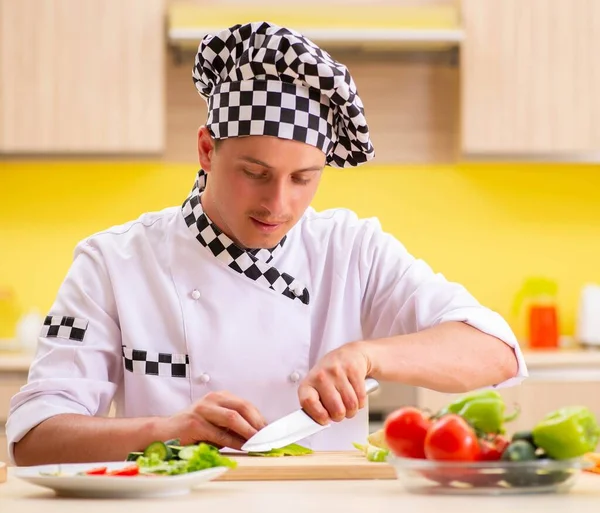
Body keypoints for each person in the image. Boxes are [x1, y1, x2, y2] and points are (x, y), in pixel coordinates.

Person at [7, 21, 527, 466]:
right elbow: (32, 439)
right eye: (255, 173)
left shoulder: (350, 250)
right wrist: (164, 431)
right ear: (207, 150)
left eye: (303, 178)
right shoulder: (114, 262)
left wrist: (367, 355)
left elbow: (496, 353)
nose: (279, 204)